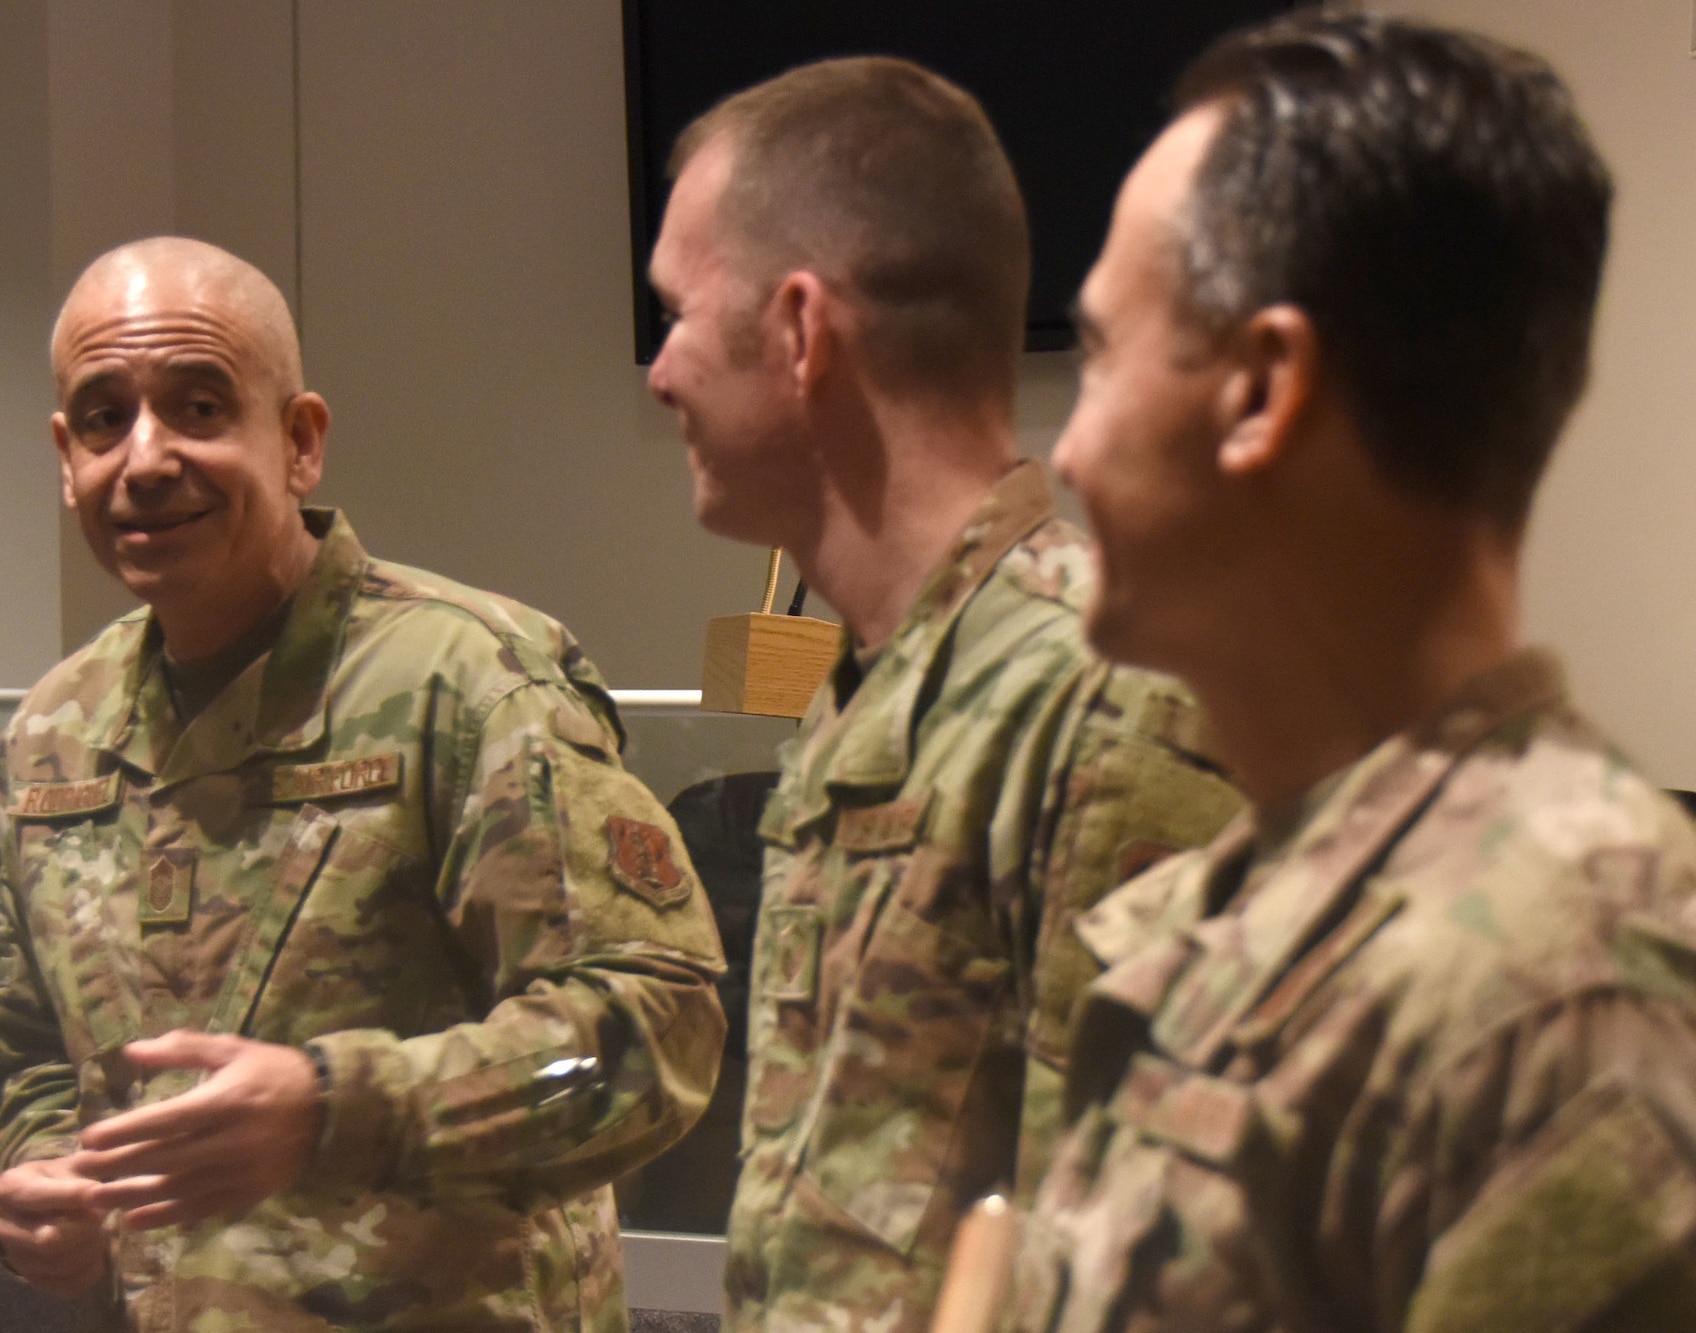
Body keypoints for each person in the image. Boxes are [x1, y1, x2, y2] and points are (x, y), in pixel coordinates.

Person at [1003, 12, 1696, 1330]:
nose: (1067, 456)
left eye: (1098, 353)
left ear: (1263, 390)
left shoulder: (1558, 1000)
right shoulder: (1257, 904)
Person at [0, 237, 727, 1331]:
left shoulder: (464, 682)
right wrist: (38, 1183)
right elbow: (29, 1051)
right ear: (64, 456)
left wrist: (336, 1110)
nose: (143, 458)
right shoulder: (55, 731)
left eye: (198, 407)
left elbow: (656, 1033)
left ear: (299, 441)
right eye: (102, 418)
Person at [644, 57, 1244, 1331]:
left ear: (801, 332)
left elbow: (1151, 1279)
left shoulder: (1102, 704)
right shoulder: (865, 698)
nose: (659, 373)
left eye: (679, 317)